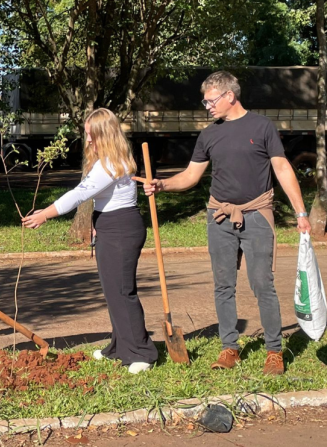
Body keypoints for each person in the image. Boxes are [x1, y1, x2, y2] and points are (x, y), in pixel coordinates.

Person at [141, 71, 311, 375]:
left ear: (229, 95)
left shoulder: (261, 127)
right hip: (219, 215)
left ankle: (274, 351)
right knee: (223, 285)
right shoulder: (209, 134)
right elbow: (191, 176)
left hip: (257, 214)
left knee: (263, 284)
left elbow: (282, 169)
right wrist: (162, 185)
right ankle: (230, 348)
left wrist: (300, 213)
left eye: (210, 100)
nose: (207, 106)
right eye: (205, 101)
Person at [23, 108, 159, 374]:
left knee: (122, 292)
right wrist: (98, 224)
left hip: (121, 229)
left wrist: (45, 214)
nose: (87, 141)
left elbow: (79, 194)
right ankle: (120, 347)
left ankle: (142, 353)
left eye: (91, 135)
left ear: (104, 135)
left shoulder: (110, 164)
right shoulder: (108, 160)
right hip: (111, 226)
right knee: (113, 292)